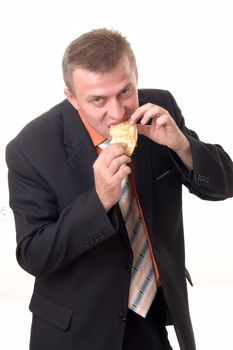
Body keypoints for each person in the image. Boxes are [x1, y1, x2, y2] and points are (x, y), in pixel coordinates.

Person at [5, 28, 233, 350]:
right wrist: (99, 202)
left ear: (135, 76)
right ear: (71, 97)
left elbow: (226, 185)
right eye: (98, 99)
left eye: (125, 91)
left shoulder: (160, 107)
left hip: (153, 317)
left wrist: (183, 146)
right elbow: (33, 255)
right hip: (78, 331)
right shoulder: (30, 149)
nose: (117, 112)